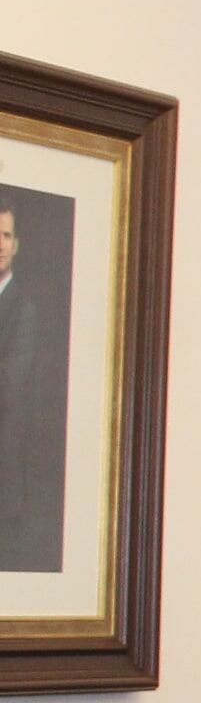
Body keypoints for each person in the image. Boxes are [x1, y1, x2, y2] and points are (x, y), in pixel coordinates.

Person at [0, 195, 69, 573]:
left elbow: (8, 385)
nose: (0, 244)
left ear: (17, 244)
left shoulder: (24, 307)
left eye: (6, 235)